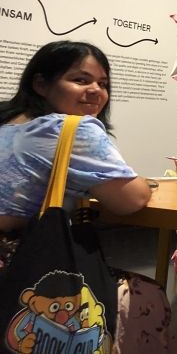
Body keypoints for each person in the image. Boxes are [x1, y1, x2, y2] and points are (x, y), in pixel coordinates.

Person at [0, 41, 152, 270]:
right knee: (150, 295)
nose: (95, 91)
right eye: (80, 80)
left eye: (102, 84)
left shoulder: (7, 119)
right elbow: (131, 200)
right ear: (41, 84)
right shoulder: (71, 128)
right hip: (15, 265)